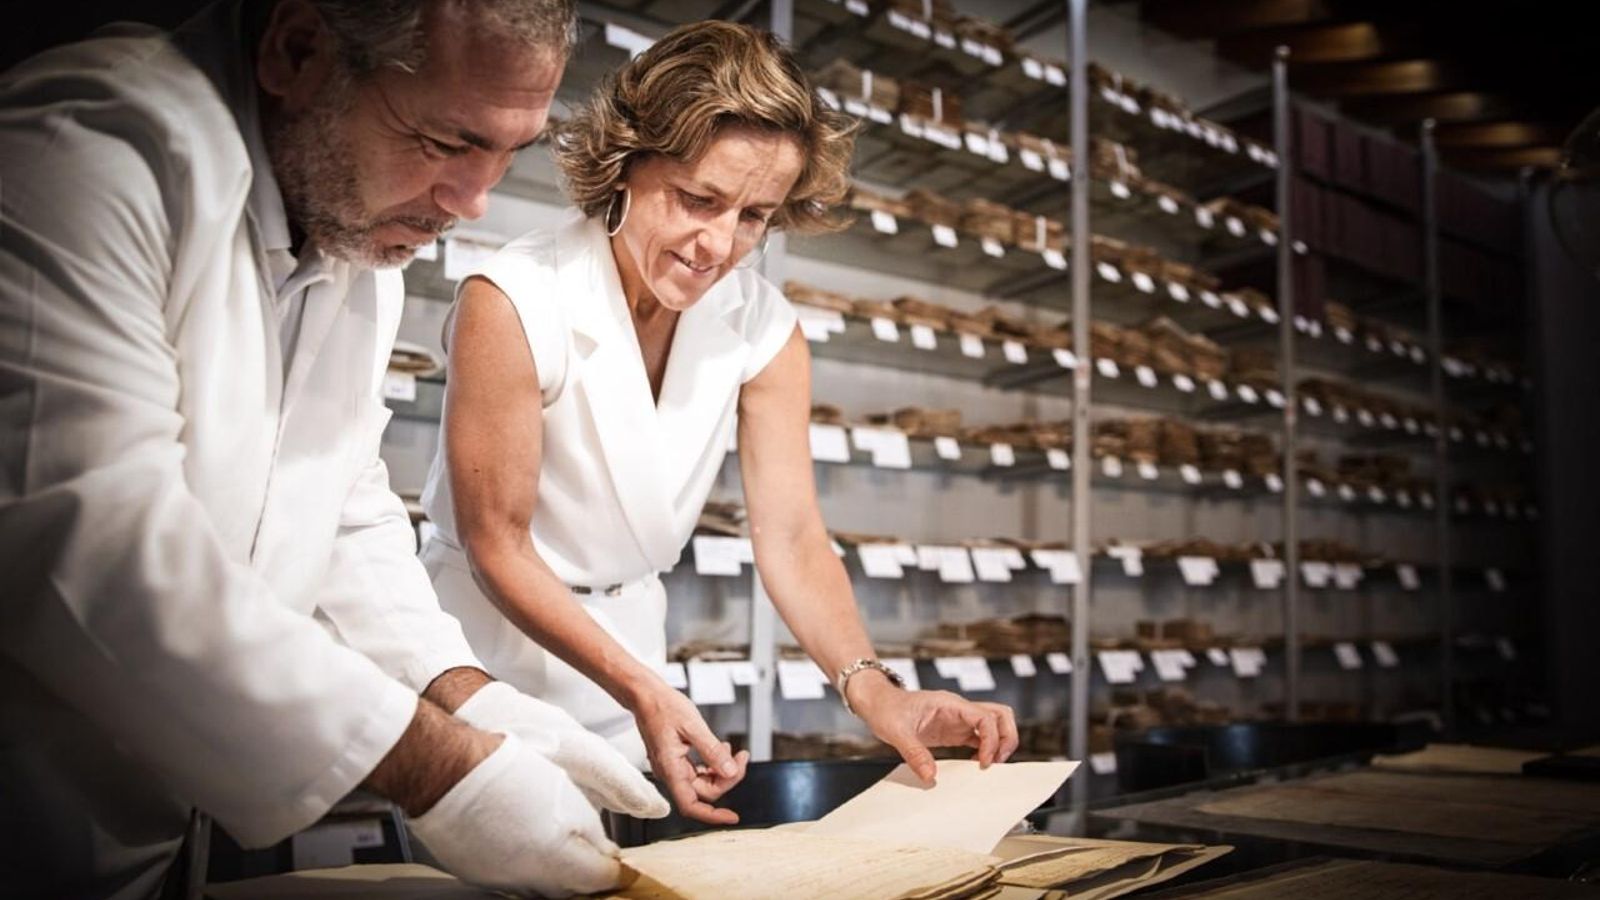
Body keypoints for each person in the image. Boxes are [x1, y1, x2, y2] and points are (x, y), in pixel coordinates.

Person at [0, 2, 669, 898]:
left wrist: (470, 696)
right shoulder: (90, 151)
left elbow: (340, 507)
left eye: (507, 155)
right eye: (444, 141)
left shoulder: (354, 245)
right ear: (299, 51)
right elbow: (91, 552)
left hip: (138, 838)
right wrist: (438, 768)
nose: (471, 201)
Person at [421, 19, 1021, 826]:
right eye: (697, 199)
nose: (718, 245)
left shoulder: (763, 327)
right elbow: (499, 544)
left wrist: (877, 690)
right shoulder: (515, 299)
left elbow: (794, 537)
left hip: (634, 648)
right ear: (625, 164)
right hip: (484, 656)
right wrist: (641, 685)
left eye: (753, 217)